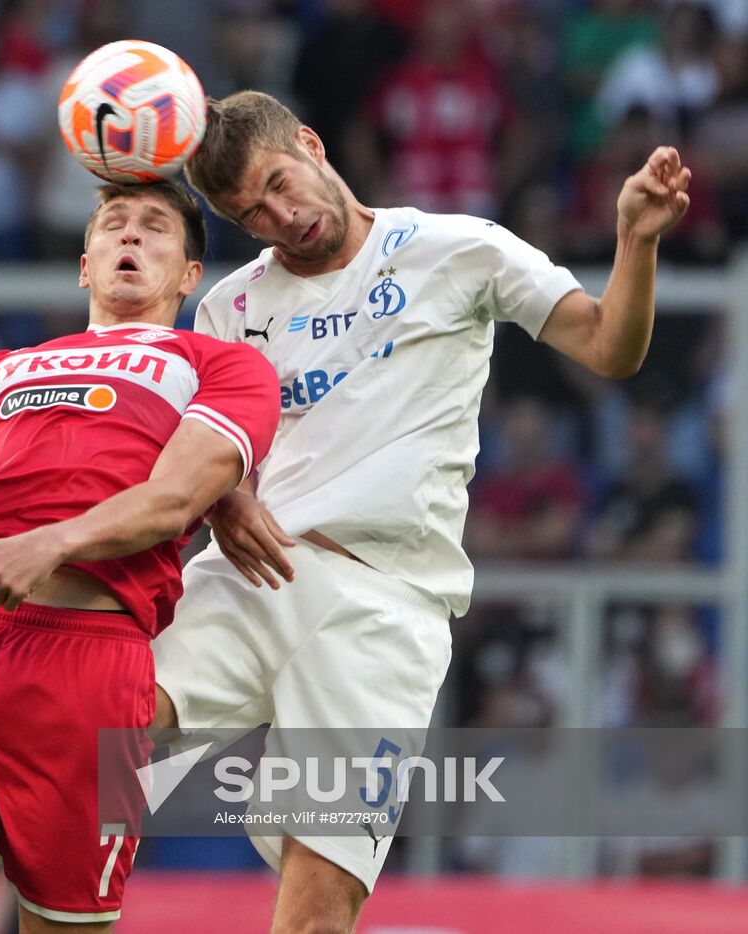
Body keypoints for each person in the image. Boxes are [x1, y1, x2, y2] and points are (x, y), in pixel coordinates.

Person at [146, 90, 692, 933]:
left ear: (313, 142)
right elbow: (211, 455)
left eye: (281, 185)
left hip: (385, 606)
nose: (282, 218)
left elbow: (609, 346)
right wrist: (225, 500)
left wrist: (635, 241)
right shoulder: (230, 308)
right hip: (252, 575)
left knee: (319, 905)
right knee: (110, 737)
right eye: (251, 214)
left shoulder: (456, 249)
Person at [0, 181, 280, 932]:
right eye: (115, 227)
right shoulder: (5, 365)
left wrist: (50, 544)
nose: (131, 238)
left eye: (156, 228)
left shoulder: (220, 366)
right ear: (84, 265)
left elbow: (174, 499)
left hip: (86, 664)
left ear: (192, 275)